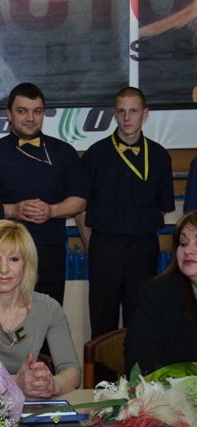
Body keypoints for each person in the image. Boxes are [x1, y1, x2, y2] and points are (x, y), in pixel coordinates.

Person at [76, 87, 175, 339]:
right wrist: (92, 244)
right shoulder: (95, 154)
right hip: (105, 246)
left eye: (133, 111)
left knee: (141, 319)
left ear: (145, 114)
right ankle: (101, 368)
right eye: (121, 111)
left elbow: (163, 206)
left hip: (144, 247)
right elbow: (80, 206)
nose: (127, 118)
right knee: (102, 321)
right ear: (114, 114)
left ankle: (138, 367)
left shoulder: (159, 156)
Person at [0, 83, 86, 307]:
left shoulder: (64, 153)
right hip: (6, 256)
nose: (30, 118)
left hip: (52, 253)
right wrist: (13, 210)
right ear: (9, 114)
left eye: (37, 111)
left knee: (49, 316)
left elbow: (80, 200)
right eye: (22, 111)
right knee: (7, 319)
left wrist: (53, 210)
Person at [0, 220, 81, 398]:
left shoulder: (49, 308)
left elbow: (72, 371)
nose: (4, 269)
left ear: (26, 263)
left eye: (14, 259)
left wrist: (52, 384)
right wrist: (14, 383)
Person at [124, 211, 197, 374]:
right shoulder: (156, 295)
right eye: (183, 243)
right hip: (171, 390)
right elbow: (142, 363)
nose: (188, 250)